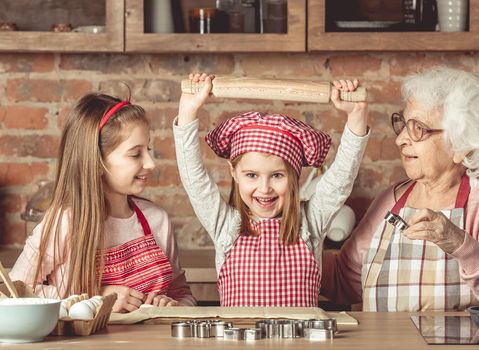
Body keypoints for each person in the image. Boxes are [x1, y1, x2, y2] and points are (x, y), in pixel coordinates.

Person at [322, 66, 479, 311]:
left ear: (461, 145)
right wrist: (291, 248)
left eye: (418, 129)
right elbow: (344, 280)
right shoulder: (391, 200)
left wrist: (460, 245)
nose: (400, 139)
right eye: (403, 125)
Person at [173, 73, 369, 306]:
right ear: (234, 173)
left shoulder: (310, 222)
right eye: (252, 175)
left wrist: (356, 117)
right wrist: (187, 112)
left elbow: (341, 179)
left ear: (295, 177)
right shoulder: (225, 225)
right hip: (240, 342)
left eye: (277, 175)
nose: (264, 189)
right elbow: (194, 180)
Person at [10, 92, 196, 312]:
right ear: (97, 163)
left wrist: (173, 305)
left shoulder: (157, 219)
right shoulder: (65, 222)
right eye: (136, 154)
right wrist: (97, 298)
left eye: (148, 150)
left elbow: (183, 295)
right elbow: (15, 291)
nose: (151, 163)